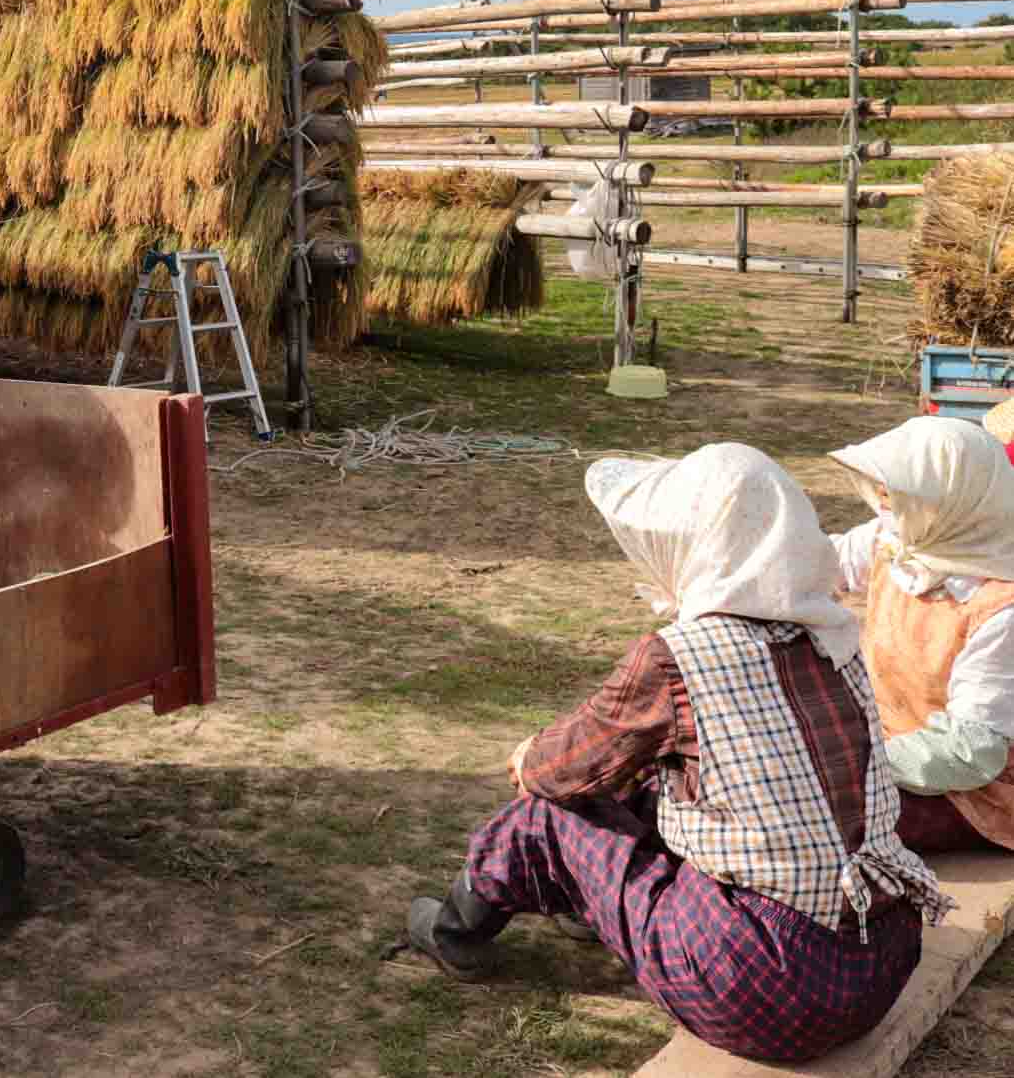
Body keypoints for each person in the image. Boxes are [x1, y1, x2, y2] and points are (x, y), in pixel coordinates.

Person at [404, 445, 947, 1063]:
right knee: (656, 789)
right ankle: (587, 909)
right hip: (883, 964)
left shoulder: (678, 659)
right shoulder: (835, 640)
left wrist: (530, 758)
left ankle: (454, 931)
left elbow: (561, 771)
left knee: (546, 815)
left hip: (767, 992)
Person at [829, 416, 1014, 853]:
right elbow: (817, 566)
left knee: (819, 821)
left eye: (901, 488)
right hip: (895, 754)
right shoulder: (899, 543)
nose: (883, 497)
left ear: (953, 498)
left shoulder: (1000, 607)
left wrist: (852, 763)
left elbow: (972, 752)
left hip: (980, 793)